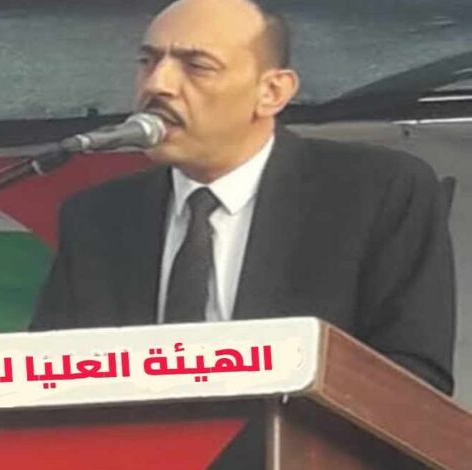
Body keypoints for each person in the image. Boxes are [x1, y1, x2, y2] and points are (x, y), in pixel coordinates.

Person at [30, 0, 455, 394]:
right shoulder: (98, 218)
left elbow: (415, 380)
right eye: (148, 61)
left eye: (197, 66)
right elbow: (48, 379)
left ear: (272, 92)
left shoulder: (375, 191)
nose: (158, 84)